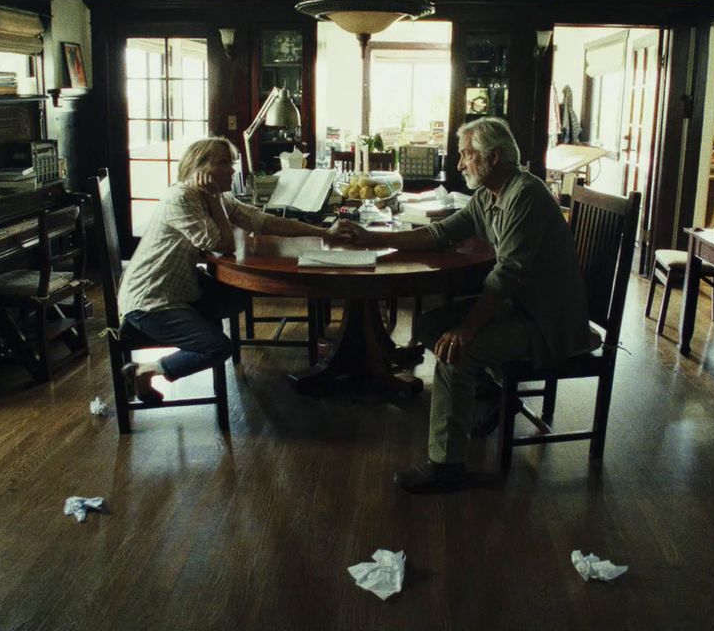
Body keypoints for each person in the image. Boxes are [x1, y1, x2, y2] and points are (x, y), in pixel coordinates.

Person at [332, 117, 597, 493]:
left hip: (547, 322)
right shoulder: (491, 194)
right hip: (519, 309)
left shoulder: (526, 195)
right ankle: (486, 396)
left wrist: (467, 329)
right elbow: (441, 233)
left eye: (467, 155)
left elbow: (507, 274)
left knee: (455, 351)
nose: (460, 164)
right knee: (427, 326)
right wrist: (370, 238)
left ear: (495, 156)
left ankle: (447, 466)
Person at [116, 137, 337, 402]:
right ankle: (145, 370)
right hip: (150, 301)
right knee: (219, 347)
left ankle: (198, 327)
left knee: (238, 296)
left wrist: (324, 232)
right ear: (198, 168)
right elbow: (224, 244)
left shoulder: (216, 195)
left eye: (231, 162)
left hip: (180, 288)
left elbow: (263, 222)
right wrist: (216, 203)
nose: (232, 169)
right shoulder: (183, 198)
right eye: (223, 163)